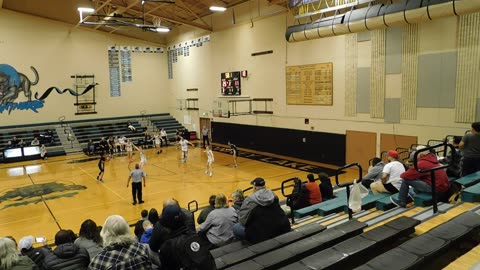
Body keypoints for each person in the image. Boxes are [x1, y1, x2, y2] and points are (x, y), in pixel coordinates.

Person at [233, 177, 291, 243]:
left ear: (254, 188)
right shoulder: (273, 195)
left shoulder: (249, 200)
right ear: (264, 186)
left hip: (262, 235)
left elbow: (243, 221)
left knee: (236, 227)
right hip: (281, 228)